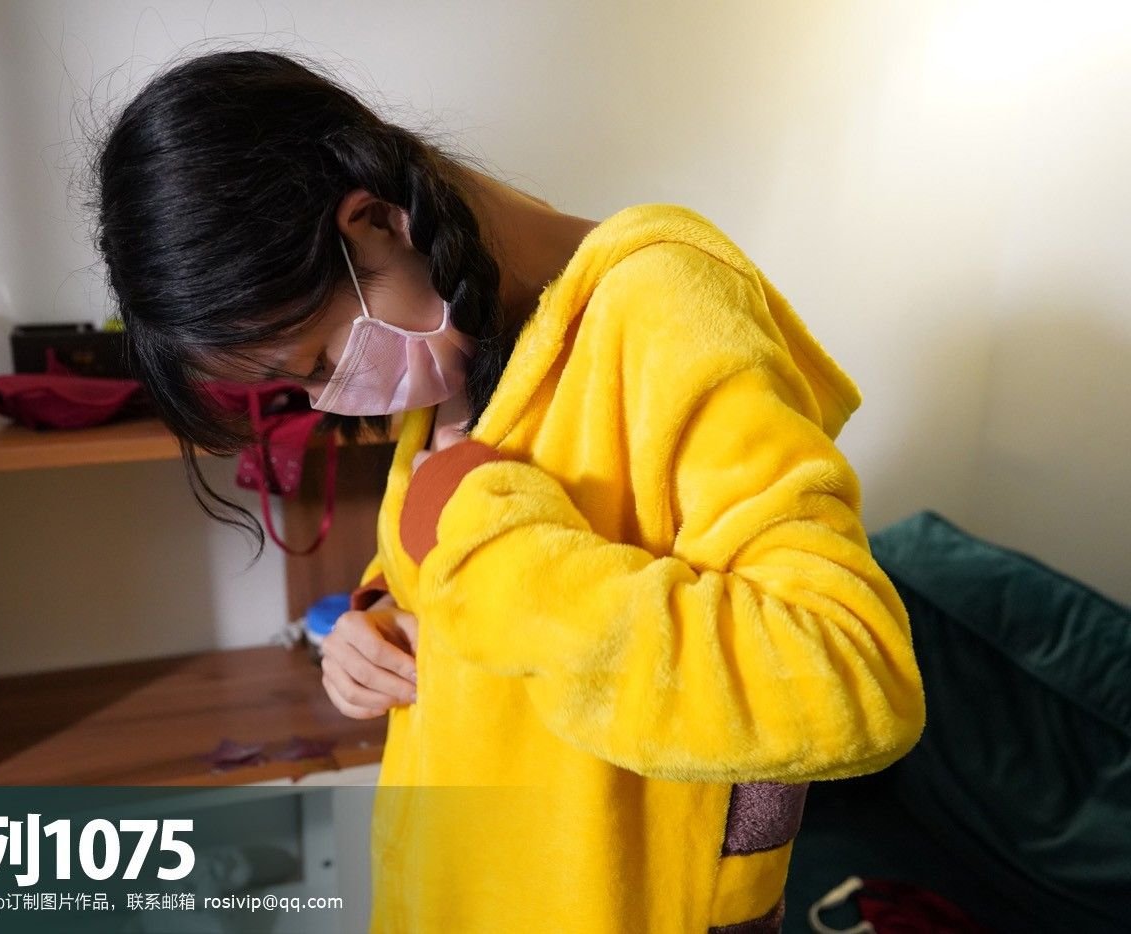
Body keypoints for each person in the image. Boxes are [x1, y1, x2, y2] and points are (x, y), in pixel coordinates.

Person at [93, 48, 926, 934]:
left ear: (376, 222)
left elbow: (849, 675)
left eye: (319, 362)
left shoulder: (664, 309)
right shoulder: (461, 343)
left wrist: (490, 545)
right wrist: (374, 624)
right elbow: (467, 566)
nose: (327, 401)